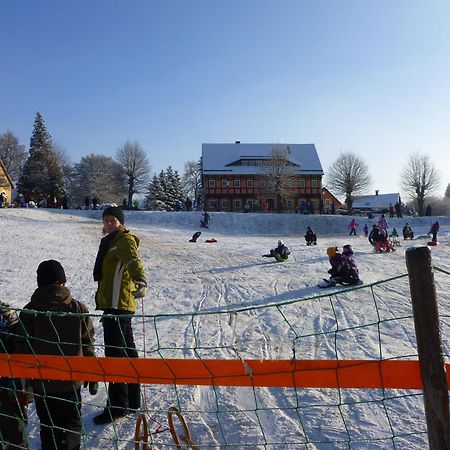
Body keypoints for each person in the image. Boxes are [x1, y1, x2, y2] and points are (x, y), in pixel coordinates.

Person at [15, 260, 96, 450]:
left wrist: (25, 385)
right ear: (63, 282)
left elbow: (23, 349)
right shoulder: (78, 309)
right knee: (71, 425)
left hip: (43, 384)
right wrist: (92, 375)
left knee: (48, 426)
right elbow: (88, 344)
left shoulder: (29, 311)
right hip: (71, 382)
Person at [93, 206, 147, 425]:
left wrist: (141, 280)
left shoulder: (124, 239)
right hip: (117, 304)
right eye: (106, 220)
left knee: (115, 356)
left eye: (113, 220)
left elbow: (134, 261)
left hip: (118, 305)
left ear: (121, 222)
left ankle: (117, 406)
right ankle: (132, 400)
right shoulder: (111, 240)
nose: (108, 223)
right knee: (127, 353)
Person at [0, 303, 31, 449]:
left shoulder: (7, 314)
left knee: (15, 429)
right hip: (11, 383)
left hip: (10, 382)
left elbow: (21, 349)